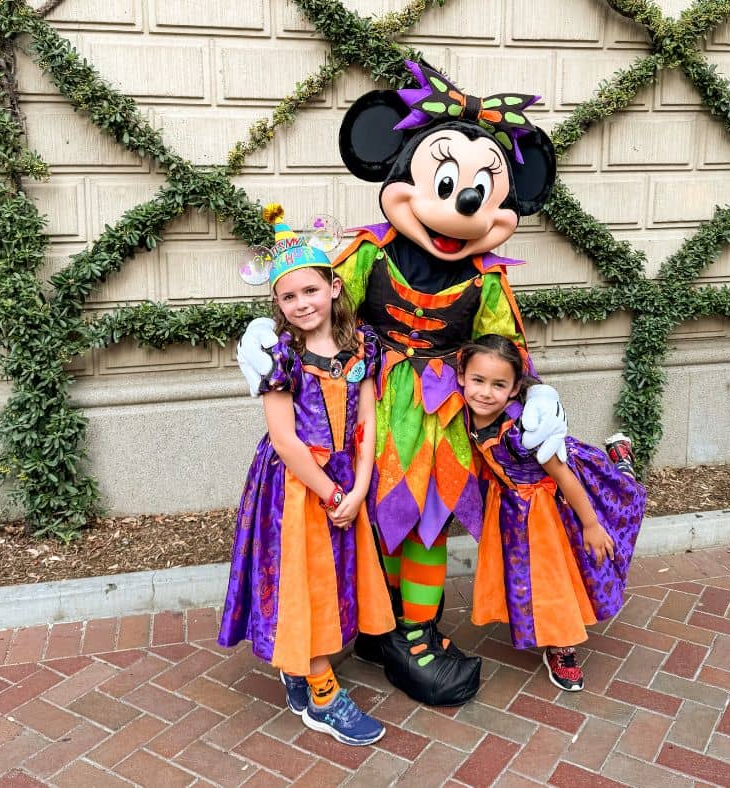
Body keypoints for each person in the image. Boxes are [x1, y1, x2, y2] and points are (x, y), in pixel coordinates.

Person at [236, 61, 568, 707]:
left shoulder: (487, 280)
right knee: (373, 519)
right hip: (367, 402)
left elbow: (505, 348)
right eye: (444, 181)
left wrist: (533, 389)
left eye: (482, 189)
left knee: (428, 522)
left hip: (443, 415)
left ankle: (414, 630)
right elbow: (317, 307)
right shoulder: (365, 254)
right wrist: (267, 334)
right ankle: (383, 622)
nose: (461, 205)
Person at [218, 206, 394, 745]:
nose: (302, 304)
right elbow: (284, 438)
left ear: (333, 287)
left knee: (330, 579)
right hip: (297, 487)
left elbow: (366, 422)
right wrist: (330, 491)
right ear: (276, 303)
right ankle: (321, 690)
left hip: (345, 481)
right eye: (288, 297)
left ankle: (300, 666)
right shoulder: (280, 357)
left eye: (310, 291)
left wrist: (359, 488)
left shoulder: (361, 347)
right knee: (305, 577)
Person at [458, 334, 646, 691]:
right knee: (523, 574)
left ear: (515, 390)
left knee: (616, 505)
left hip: (547, 506)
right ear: (462, 376)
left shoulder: (525, 431)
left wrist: (590, 525)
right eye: (478, 381)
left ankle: (562, 646)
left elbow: (564, 474)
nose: (485, 392)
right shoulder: (466, 412)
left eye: (499, 385)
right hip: (510, 507)